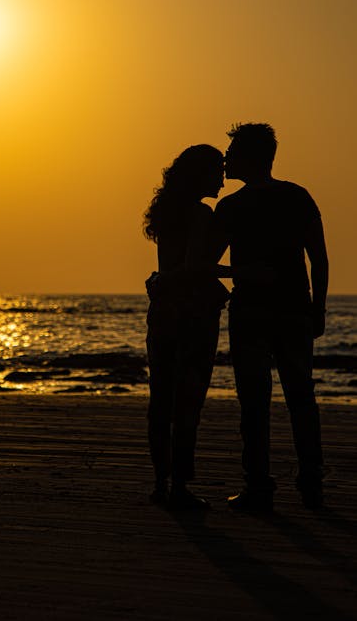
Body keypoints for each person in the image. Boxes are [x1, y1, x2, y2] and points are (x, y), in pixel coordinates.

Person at [213, 123, 329, 512]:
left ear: (249, 157)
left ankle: (260, 486)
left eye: (231, 153)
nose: (226, 160)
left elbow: (204, 264)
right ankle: (310, 482)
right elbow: (320, 258)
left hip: (253, 314)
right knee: (300, 397)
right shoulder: (297, 196)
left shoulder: (230, 207)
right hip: (294, 308)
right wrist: (319, 307)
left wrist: (239, 274)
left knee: (255, 401)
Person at [143, 145, 230, 509]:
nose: (222, 179)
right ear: (200, 175)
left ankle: (162, 482)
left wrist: (160, 280)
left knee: (161, 400)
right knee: (188, 400)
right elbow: (195, 266)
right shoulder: (200, 214)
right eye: (216, 172)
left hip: (163, 314)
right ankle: (179, 486)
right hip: (192, 316)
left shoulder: (168, 212)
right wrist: (243, 272)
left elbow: (174, 266)